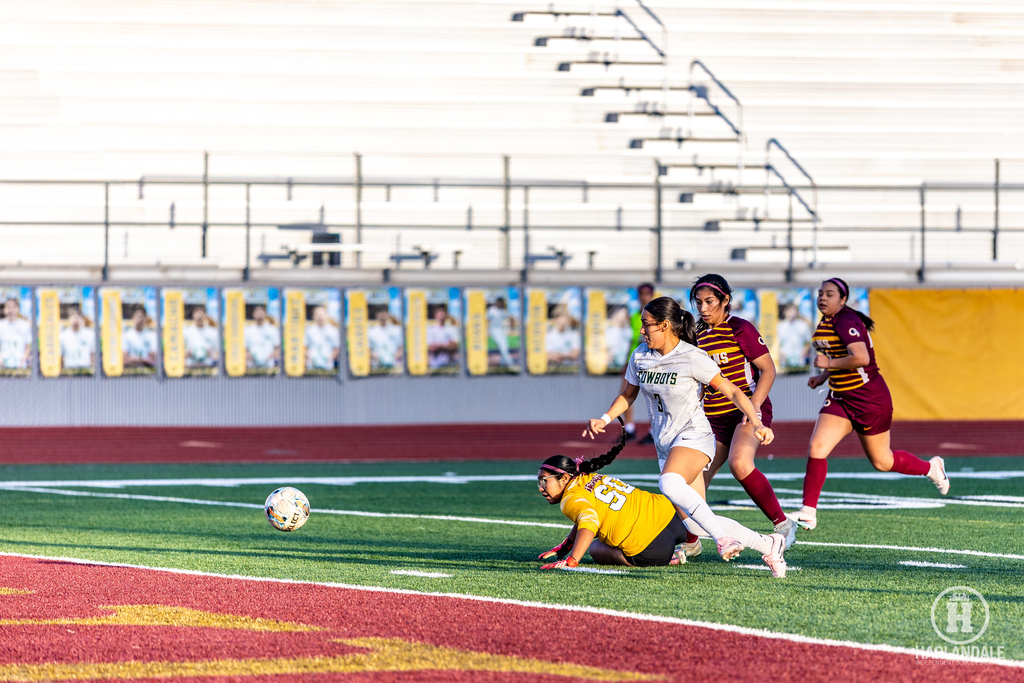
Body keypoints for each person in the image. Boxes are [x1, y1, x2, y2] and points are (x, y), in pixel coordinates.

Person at [584, 296, 782, 564]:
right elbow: (628, 395)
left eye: (647, 324)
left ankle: (724, 539)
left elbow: (733, 390)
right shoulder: (639, 356)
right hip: (665, 443)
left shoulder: (692, 356)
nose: (642, 330)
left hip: (694, 436)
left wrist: (756, 422)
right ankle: (769, 544)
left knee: (669, 483)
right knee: (696, 524)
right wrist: (605, 418)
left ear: (665, 325)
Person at [789, 277, 950, 531]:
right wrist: (823, 377)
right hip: (841, 396)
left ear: (843, 300)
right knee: (817, 447)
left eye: (829, 294)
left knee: (882, 462)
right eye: (821, 293)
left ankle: (931, 468)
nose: (822, 297)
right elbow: (837, 355)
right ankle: (809, 511)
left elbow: (860, 357)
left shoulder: (846, 320)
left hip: (869, 398)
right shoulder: (827, 321)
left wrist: (828, 365)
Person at [537, 418, 787, 576]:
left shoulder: (571, 500)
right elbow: (584, 515)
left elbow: (588, 521)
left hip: (651, 549)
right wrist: (567, 543)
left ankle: (675, 558)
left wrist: (572, 559)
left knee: (594, 547)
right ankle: (766, 543)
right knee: (702, 521)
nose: (541, 487)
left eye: (544, 481)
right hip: (667, 516)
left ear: (563, 478)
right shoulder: (586, 476)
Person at [688, 275, 796, 558]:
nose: (703, 307)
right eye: (698, 302)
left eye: (710, 301)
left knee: (739, 463)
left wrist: (755, 409)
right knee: (694, 479)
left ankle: (783, 524)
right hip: (712, 417)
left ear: (725, 301)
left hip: (744, 411)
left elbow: (768, 370)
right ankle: (690, 541)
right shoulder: (696, 335)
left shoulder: (740, 328)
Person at [625, 283, 655, 441]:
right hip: (634, 359)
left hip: (650, 359)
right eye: (641, 294)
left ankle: (653, 430)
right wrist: (626, 360)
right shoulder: (635, 316)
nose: (644, 297)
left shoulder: (657, 315)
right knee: (626, 393)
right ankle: (629, 429)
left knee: (653, 394)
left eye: (647, 293)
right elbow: (632, 340)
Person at [776, 301, 813, 373]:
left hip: (800, 364)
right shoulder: (780, 326)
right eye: (789, 310)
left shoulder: (803, 325)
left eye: (793, 310)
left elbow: (808, 342)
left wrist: (802, 354)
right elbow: (776, 344)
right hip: (785, 364)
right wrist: (782, 354)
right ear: (785, 312)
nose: (791, 312)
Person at [304, 305, 340, 372]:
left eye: (322, 315)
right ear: (313, 316)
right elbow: (304, 346)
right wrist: (310, 358)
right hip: (311, 366)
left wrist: (329, 358)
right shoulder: (309, 330)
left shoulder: (334, 331)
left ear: (326, 315)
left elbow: (337, 347)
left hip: (328, 366)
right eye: (317, 315)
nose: (320, 317)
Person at [244, 305, 280, 369]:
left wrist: (268, 358)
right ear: (253, 315)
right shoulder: (248, 330)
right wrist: (250, 357)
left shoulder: (272, 329)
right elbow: (245, 349)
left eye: (261, 313)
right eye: (257, 313)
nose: (259, 315)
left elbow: (277, 348)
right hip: (252, 366)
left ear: (265, 314)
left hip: (269, 366)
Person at [0, 298, 32, 371]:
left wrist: (22, 361)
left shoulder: (25, 325)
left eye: (13, 307)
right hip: (2, 367)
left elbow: (28, 346)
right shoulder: (1, 325)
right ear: (4, 310)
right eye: (8, 307)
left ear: (18, 309)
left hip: (20, 366)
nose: (11, 310)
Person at [184, 305, 219, 370]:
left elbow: (217, 353)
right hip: (190, 368)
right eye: (197, 314)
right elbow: (179, 353)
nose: (199, 317)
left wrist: (210, 354)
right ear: (193, 315)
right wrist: (187, 353)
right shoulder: (186, 332)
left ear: (205, 315)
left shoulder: (213, 332)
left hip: (209, 368)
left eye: (201, 314)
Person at [60, 308, 95, 373]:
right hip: (69, 371)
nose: (75, 320)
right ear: (69, 319)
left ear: (82, 319)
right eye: (73, 318)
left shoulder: (90, 335)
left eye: (78, 318)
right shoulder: (63, 336)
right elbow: (61, 356)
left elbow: (93, 354)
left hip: (86, 370)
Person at [426, 304, 458, 370]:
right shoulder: (431, 330)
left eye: (442, 313)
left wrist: (440, 346)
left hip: (449, 365)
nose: (441, 315)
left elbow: (454, 346)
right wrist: (446, 345)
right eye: (439, 313)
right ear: (435, 315)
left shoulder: (451, 329)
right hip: (434, 365)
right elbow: (431, 347)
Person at [486, 296, 515, 368]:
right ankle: (510, 364)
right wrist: (486, 331)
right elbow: (486, 320)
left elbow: (510, 317)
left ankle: (503, 364)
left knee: (505, 347)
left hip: (500, 330)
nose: (501, 305)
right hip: (494, 330)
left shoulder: (501, 310)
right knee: (503, 347)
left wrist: (512, 324)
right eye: (501, 303)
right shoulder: (492, 310)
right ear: (497, 302)